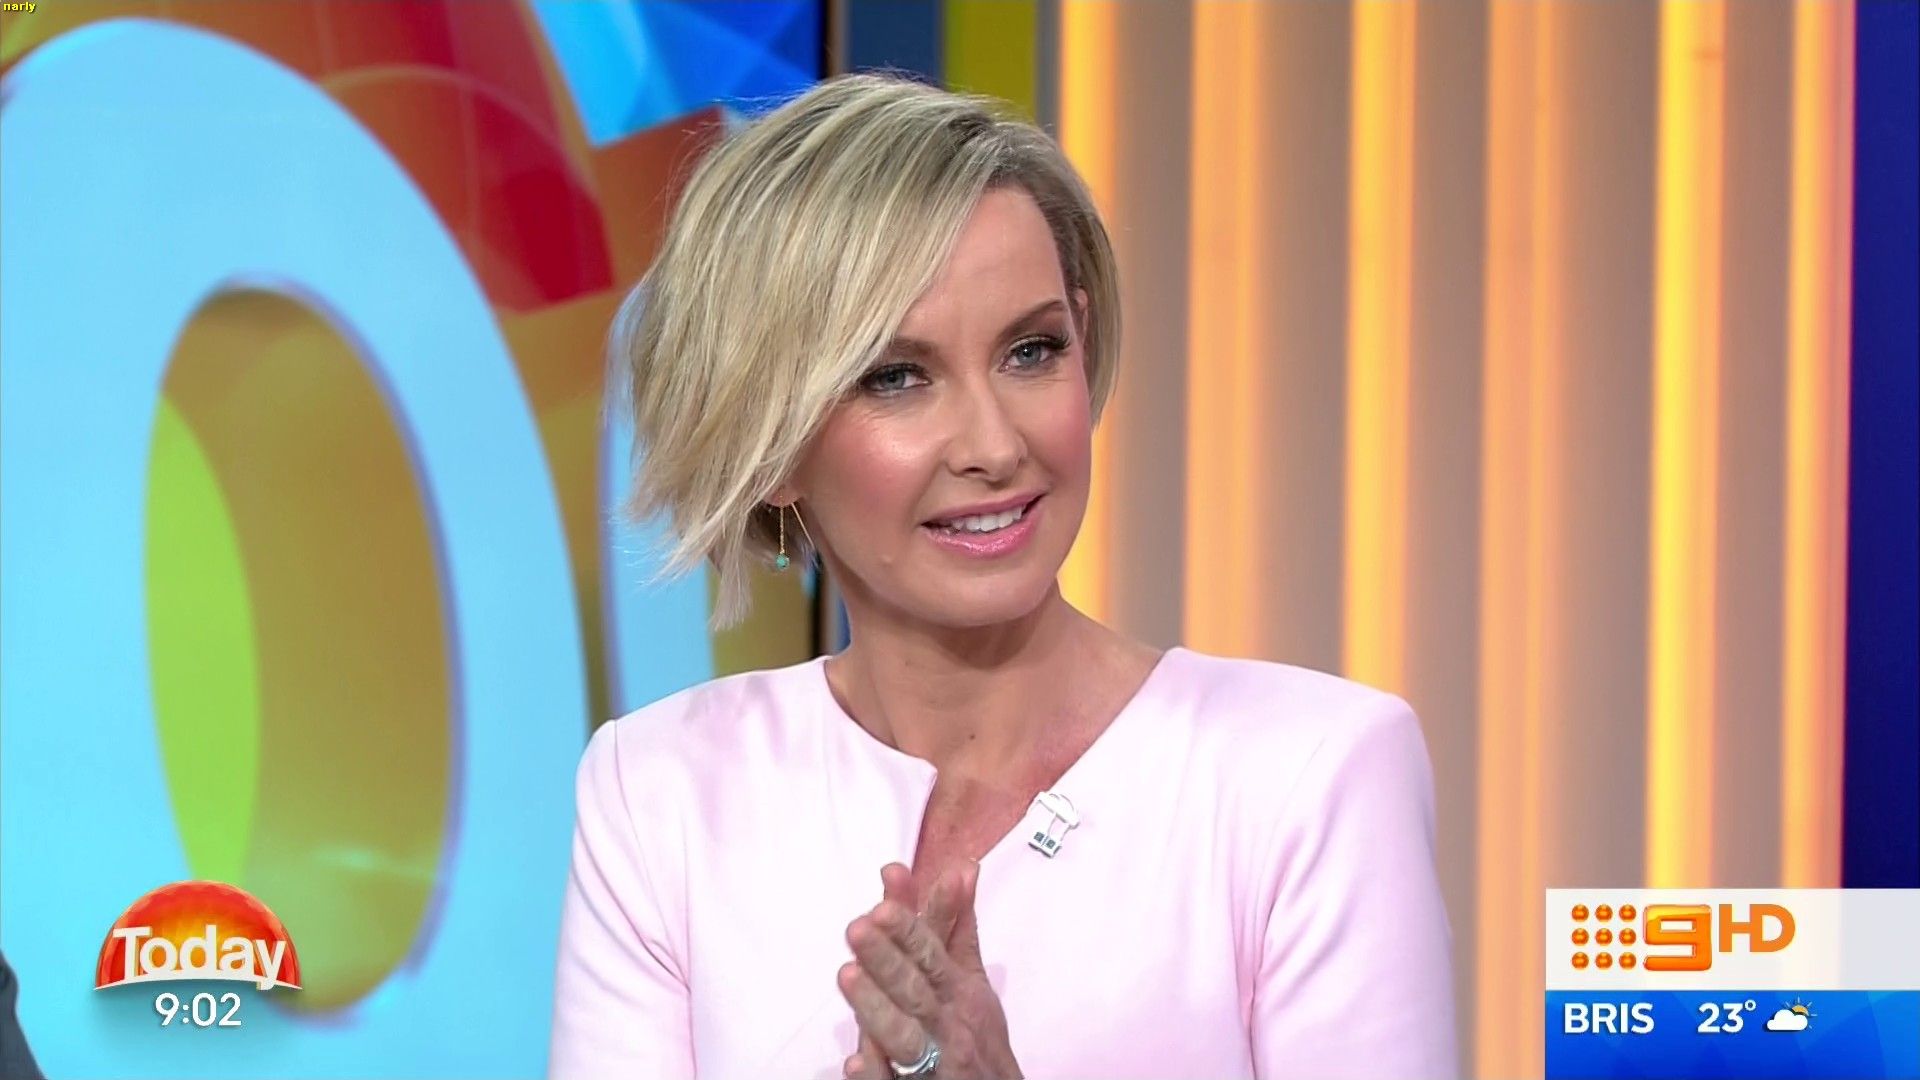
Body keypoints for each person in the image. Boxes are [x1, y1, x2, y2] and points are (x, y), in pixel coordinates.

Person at [549, 73, 1455, 1080]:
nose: (994, 444)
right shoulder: (660, 795)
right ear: (771, 443)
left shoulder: (1307, 777)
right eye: (897, 376)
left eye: (1031, 351)